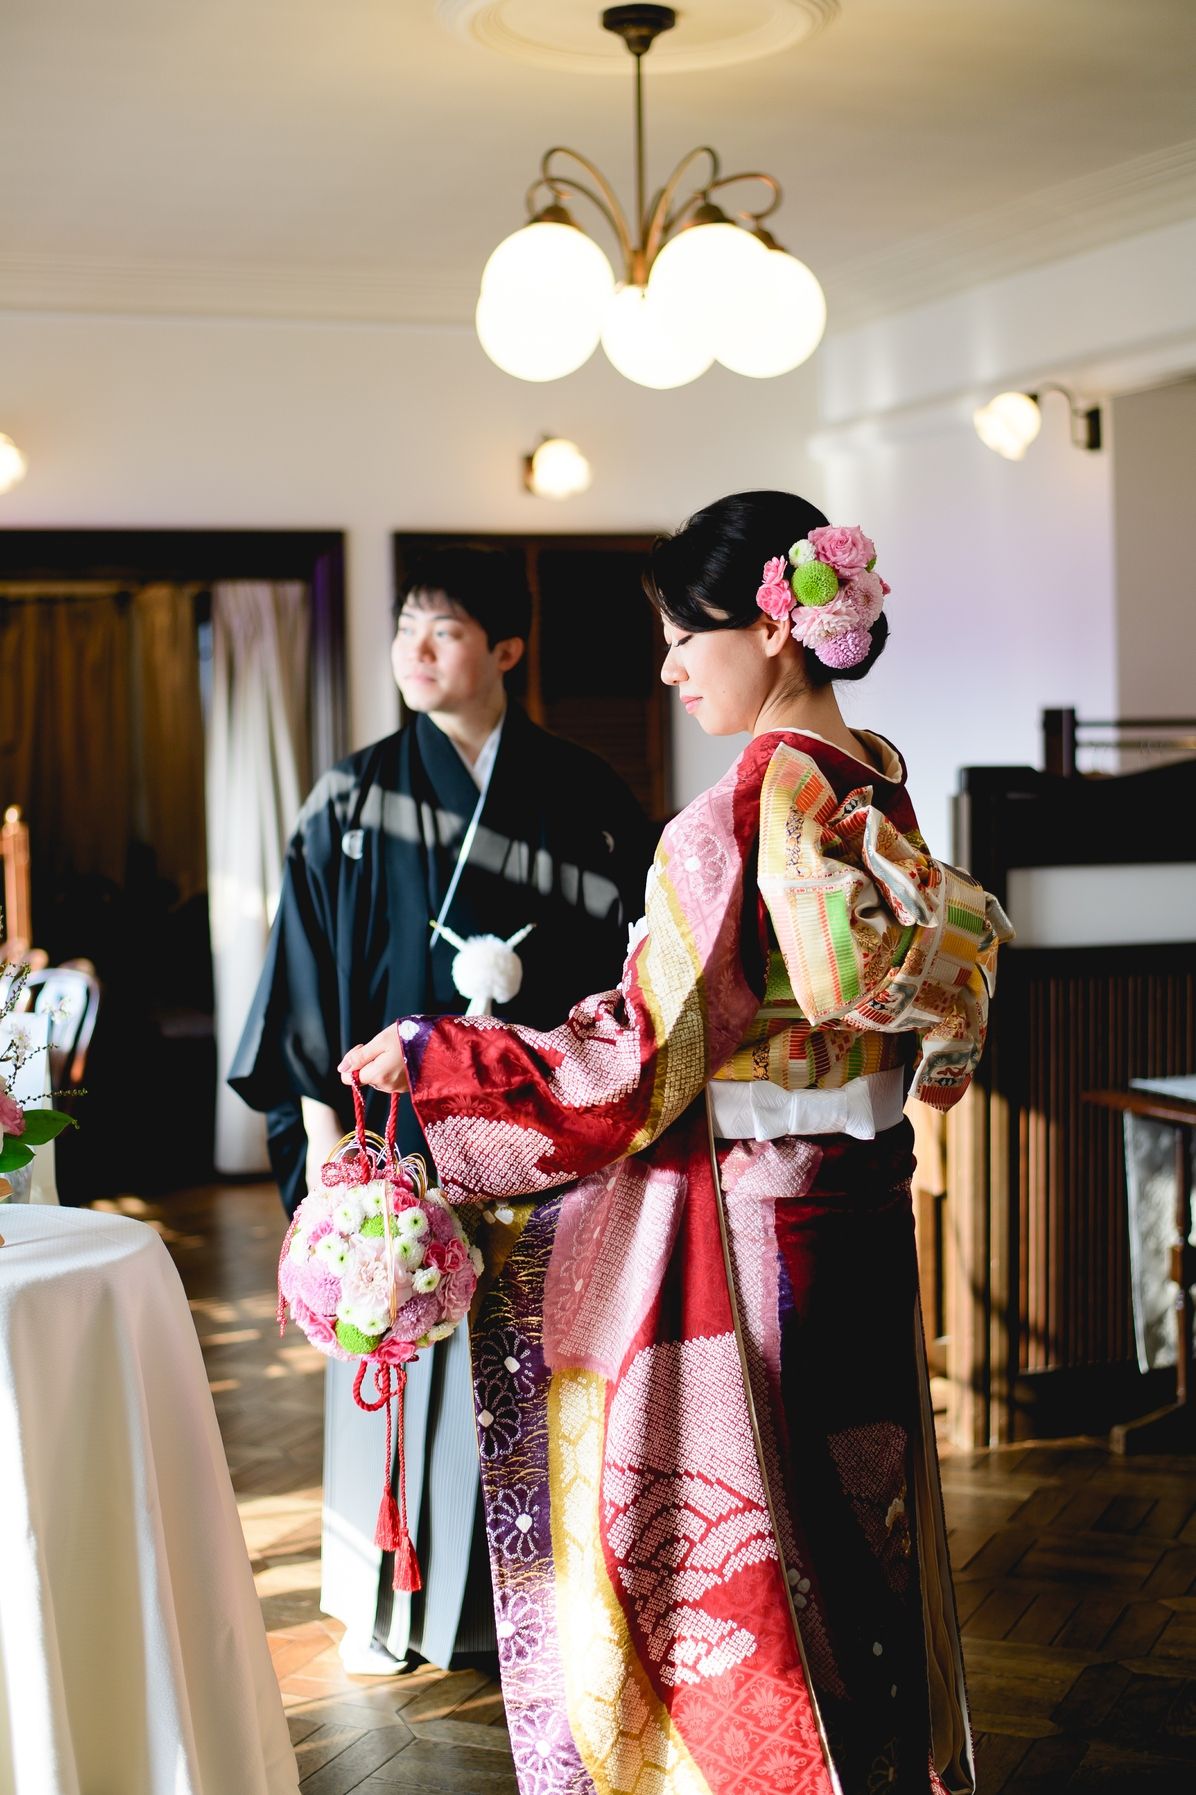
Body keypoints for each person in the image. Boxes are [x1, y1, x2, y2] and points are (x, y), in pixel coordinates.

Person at [341, 492, 1012, 1794]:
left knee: (758, 1545)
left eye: (680, 637)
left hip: (753, 1234)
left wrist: (444, 1058)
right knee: (861, 1518)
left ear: (770, 628)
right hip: (863, 1204)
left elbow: (635, 1061)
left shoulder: (733, 818)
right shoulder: (871, 779)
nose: (666, 668)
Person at [229, 543, 653, 1676]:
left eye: (446, 629)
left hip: (544, 1139)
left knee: (544, 1364)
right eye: (404, 627)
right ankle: (394, 1603)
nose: (414, 650)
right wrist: (330, 1167)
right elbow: (304, 985)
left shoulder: (585, 793)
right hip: (392, 1143)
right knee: (398, 1345)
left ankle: (553, 1609)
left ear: (506, 648)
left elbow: (634, 977)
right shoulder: (350, 799)